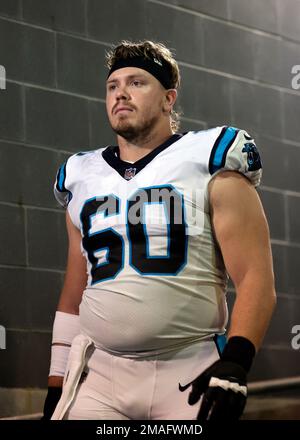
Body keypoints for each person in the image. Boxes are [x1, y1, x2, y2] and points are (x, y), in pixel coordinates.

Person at [42, 40, 276, 420]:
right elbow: (73, 295)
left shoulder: (211, 158)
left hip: (188, 368)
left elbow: (255, 278)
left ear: (169, 99)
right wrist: (56, 381)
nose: (121, 93)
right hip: (99, 373)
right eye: (113, 86)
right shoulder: (81, 175)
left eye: (136, 83)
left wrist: (237, 361)